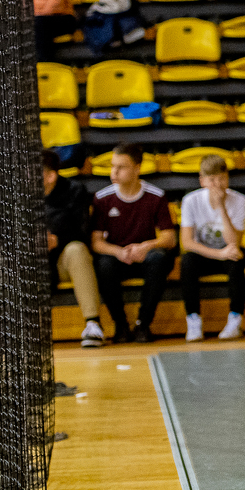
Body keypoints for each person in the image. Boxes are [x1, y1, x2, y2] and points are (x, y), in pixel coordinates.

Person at [91, 142, 177, 344]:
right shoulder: (102, 198)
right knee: (103, 264)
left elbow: (170, 238)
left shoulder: (156, 196)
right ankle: (120, 325)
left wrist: (147, 246)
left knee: (159, 259)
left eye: (121, 167)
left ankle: (143, 324)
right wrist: (118, 252)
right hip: (118, 257)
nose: (114, 172)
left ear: (137, 168)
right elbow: (96, 242)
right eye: (113, 166)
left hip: (145, 256)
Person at [180, 154, 245, 342]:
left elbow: (234, 241)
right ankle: (193, 319)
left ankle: (235, 318)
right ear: (202, 181)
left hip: (228, 252)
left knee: (238, 259)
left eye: (222, 178)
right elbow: (187, 242)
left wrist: (221, 208)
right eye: (212, 180)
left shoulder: (240, 200)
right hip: (206, 254)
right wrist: (219, 254)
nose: (218, 184)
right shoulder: (190, 201)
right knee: (187, 261)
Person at [42, 150, 103, 348]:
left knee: (77, 249)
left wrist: (56, 240)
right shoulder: (19, 196)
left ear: (51, 176)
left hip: (63, 262)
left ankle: (93, 324)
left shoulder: (75, 191)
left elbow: (83, 232)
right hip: (33, 263)